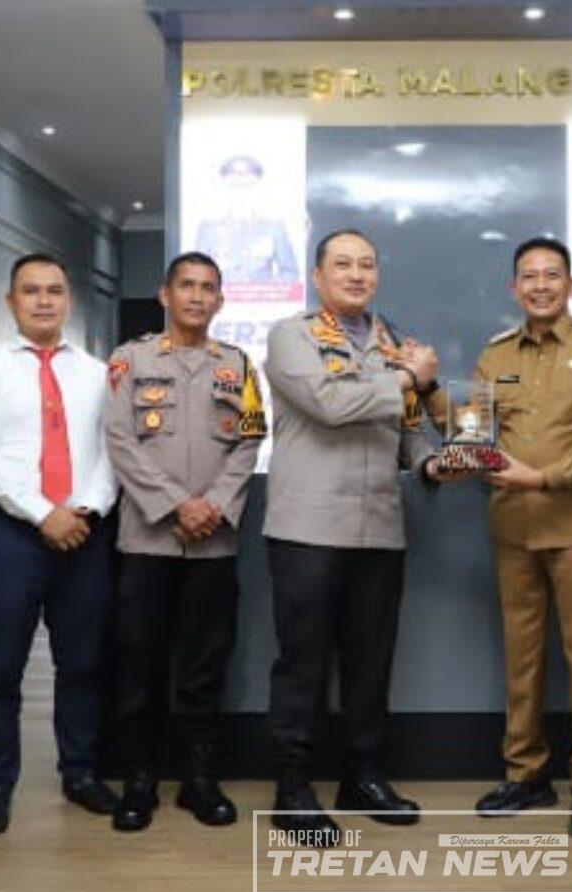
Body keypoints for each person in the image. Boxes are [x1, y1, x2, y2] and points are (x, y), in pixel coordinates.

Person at [263, 228, 448, 847]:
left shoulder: (394, 340)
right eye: (342, 264)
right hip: (309, 526)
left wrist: (429, 462)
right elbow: (330, 403)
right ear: (318, 276)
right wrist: (410, 378)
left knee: (370, 662)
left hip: (379, 527)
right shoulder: (291, 335)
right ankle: (293, 789)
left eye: (366, 264)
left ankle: (362, 777)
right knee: (304, 662)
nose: (356, 274)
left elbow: (409, 427)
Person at [0, 253, 119, 836]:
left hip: (85, 532)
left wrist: (85, 508)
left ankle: (80, 773)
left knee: (82, 664)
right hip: (12, 535)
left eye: (54, 290)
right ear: (11, 301)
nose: (44, 300)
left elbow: (114, 451)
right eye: (31, 291)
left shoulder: (98, 373)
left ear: (68, 300)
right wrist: (45, 513)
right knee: (2, 666)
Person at [470, 237, 572, 840]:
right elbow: (474, 432)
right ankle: (526, 773)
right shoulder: (495, 354)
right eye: (529, 277)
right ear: (514, 288)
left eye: (551, 275)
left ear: (570, 284)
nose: (540, 285)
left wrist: (542, 478)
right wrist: (438, 410)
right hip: (513, 527)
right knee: (522, 659)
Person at [103, 252, 264, 831]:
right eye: (187, 286)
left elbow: (250, 440)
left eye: (208, 288)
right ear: (164, 295)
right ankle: (139, 779)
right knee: (140, 665)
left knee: (204, 666)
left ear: (220, 300)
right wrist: (177, 504)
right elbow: (119, 439)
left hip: (213, 544)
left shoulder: (239, 365)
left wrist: (212, 505)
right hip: (148, 540)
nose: (197, 296)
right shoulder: (130, 360)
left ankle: (199, 780)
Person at [194, 155, 298, 284]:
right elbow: (197, 274)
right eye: (236, 184)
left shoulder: (274, 228)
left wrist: (264, 288)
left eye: (247, 184)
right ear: (225, 187)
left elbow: (291, 274)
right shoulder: (209, 229)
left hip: (261, 296)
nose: (241, 190)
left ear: (257, 188)